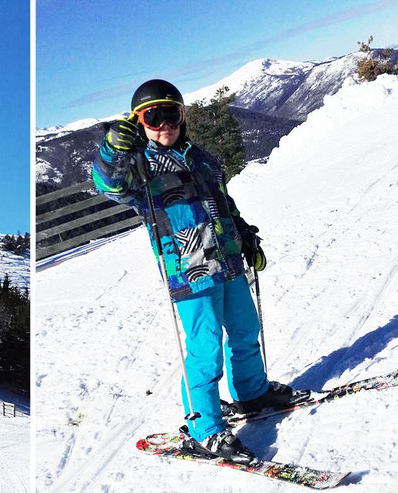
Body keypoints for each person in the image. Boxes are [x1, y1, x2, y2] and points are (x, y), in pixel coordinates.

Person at [92, 79, 294, 463]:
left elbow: (223, 201)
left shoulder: (201, 157)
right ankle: (207, 429)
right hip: (190, 270)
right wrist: (111, 150)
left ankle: (251, 392)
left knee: (246, 330)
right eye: (153, 116)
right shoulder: (139, 166)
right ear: (139, 123)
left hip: (229, 259)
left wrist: (244, 233)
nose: (164, 123)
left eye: (172, 113)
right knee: (205, 349)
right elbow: (108, 183)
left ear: (183, 116)